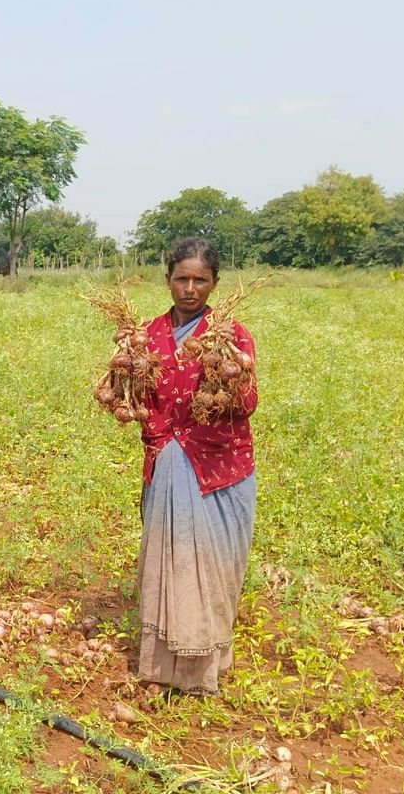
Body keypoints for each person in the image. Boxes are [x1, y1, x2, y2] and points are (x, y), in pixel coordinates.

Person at [134, 237, 258, 696]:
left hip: (218, 469)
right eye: (181, 279)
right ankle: (164, 664)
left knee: (211, 566)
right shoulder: (146, 335)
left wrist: (226, 376)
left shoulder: (231, 336)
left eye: (200, 280)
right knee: (170, 561)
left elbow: (248, 403)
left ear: (215, 284)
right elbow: (139, 402)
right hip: (168, 463)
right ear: (167, 280)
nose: (190, 288)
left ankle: (202, 665)